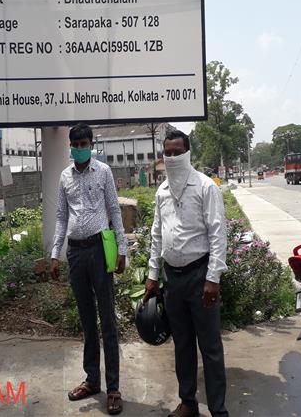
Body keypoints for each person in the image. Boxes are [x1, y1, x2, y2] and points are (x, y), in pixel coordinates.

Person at [144, 130, 228, 417]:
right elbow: (157, 234)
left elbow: (218, 233)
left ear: (188, 153)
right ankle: (188, 403)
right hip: (173, 279)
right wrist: (153, 275)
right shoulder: (162, 191)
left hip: (200, 275)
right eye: (167, 153)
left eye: (177, 152)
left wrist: (213, 278)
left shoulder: (205, 187)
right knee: (182, 345)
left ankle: (218, 410)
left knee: (210, 347)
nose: (172, 157)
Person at [50, 123, 127, 415]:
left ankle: (113, 387)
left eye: (84, 143)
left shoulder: (103, 171)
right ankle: (92, 380)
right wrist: (55, 254)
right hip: (75, 252)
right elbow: (61, 216)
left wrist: (122, 249)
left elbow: (114, 209)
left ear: (92, 145)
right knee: (86, 319)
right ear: (70, 146)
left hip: (99, 249)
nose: (80, 148)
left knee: (107, 319)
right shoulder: (64, 176)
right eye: (76, 144)